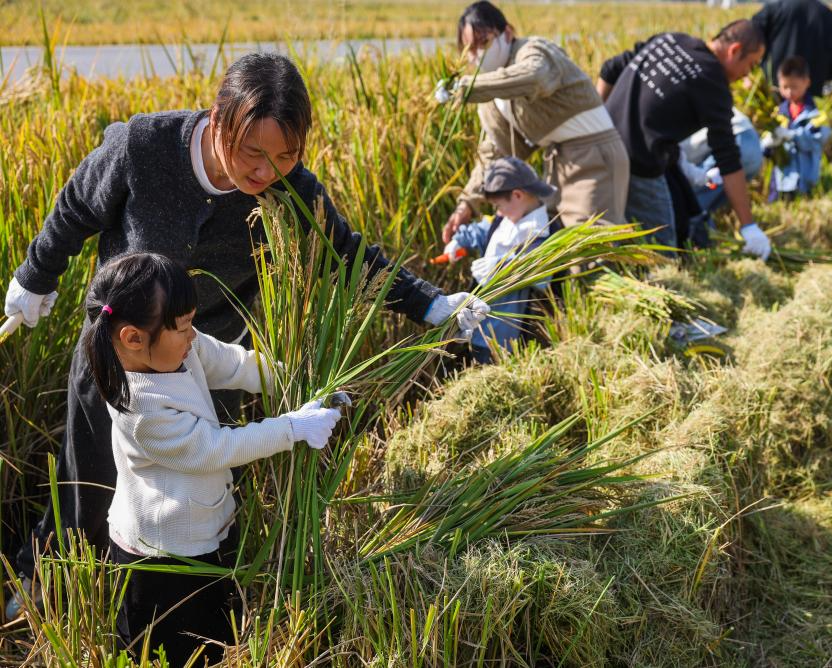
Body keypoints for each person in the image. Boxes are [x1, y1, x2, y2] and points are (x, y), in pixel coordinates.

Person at [2, 52, 489, 617]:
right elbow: (76, 208)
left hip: (209, 366)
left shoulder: (290, 190)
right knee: (86, 489)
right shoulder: (144, 147)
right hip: (118, 363)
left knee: (192, 499)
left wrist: (430, 304)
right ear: (219, 117)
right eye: (253, 152)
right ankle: (44, 585)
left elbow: (348, 255)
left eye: (285, 156)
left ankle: (163, 609)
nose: (265, 172)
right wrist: (35, 276)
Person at [80, 252, 344, 663]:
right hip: (161, 557)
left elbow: (231, 361)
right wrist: (293, 428)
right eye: (183, 328)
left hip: (204, 529)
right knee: (170, 649)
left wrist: (290, 378)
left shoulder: (179, 349)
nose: (193, 336)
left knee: (218, 634)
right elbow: (216, 448)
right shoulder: (142, 411)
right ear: (133, 338)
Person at [438, 1, 630, 245]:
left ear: (507, 33)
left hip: (593, 158)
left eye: (483, 43)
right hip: (557, 164)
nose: (478, 56)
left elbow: (535, 77)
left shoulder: (533, 51)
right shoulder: (489, 96)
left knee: (591, 251)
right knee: (555, 249)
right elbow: (493, 152)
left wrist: (467, 88)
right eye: (470, 50)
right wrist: (466, 205)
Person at [597, 20, 772, 260]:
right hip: (640, 162)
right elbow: (728, 157)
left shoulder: (669, 39)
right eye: (750, 65)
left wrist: (598, 125)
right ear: (734, 51)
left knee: (682, 212)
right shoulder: (713, 82)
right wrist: (748, 226)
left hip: (603, 146)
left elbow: (610, 68)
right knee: (664, 251)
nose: (746, 76)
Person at [442, 157, 558, 363]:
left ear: (517, 195)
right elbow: (482, 230)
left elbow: (538, 272)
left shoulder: (539, 232)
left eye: (498, 206)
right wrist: (460, 241)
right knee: (474, 352)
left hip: (503, 329)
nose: (497, 212)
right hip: (480, 314)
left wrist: (500, 266)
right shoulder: (507, 218)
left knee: (492, 362)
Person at [750, 0, 832, 98]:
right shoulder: (829, 16)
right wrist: (821, 77)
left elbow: (751, 36)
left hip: (772, 89)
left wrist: (752, 71)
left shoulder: (775, 9)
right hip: (812, 91)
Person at [762, 56, 831, 200]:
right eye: (784, 87)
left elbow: (819, 139)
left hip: (807, 177)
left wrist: (793, 135)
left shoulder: (816, 112)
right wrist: (767, 144)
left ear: (806, 82)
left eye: (794, 87)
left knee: (806, 203)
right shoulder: (777, 114)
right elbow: (766, 146)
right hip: (782, 179)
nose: (789, 92)